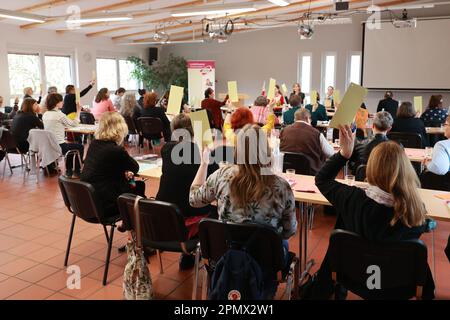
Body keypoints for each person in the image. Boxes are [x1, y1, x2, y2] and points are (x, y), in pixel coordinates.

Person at [312, 126, 434, 300]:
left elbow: (322, 179)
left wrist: (344, 155)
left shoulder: (351, 198)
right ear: (406, 171)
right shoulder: (415, 213)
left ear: (371, 167)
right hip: (397, 283)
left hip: (353, 274)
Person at [189, 125, 297, 299]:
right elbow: (290, 230)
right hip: (265, 263)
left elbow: (194, 199)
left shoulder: (221, 175)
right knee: (279, 242)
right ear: (266, 150)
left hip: (225, 255)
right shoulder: (281, 186)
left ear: (237, 150)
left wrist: (203, 163)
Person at [156, 113, 219, 269]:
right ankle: (211, 257)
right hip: (191, 215)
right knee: (218, 209)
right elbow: (215, 179)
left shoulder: (166, 150)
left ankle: (188, 255)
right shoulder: (201, 153)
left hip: (164, 216)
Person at [81, 112, 145, 218]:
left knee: (132, 183)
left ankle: (128, 223)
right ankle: (134, 224)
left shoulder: (94, 144)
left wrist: (123, 173)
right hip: (106, 205)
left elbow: (106, 170)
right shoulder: (116, 150)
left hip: (87, 202)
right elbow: (135, 168)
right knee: (138, 186)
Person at [280, 108, 334, 174]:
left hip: (287, 170)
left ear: (295, 119)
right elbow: (330, 153)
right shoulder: (316, 134)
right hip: (311, 173)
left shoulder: (284, 131)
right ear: (307, 118)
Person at [43, 93, 84, 178]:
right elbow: (74, 124)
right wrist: (78, 111)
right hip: (59, 146)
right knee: (79, 147)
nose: (63, 102)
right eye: (61, 101)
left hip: (49, 145)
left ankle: (69, 171)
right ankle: (76, 170)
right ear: (57, 103)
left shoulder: (45, 114)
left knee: (70, 146)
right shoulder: (59, 114)